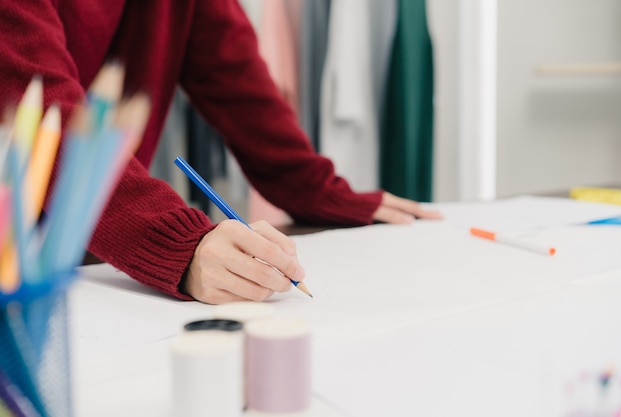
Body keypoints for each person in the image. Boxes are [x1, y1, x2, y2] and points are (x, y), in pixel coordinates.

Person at [0, 0, 441, 304]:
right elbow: (38, 106)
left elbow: (232, 69)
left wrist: (316, 189)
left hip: (87, 256)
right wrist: (177, 243)